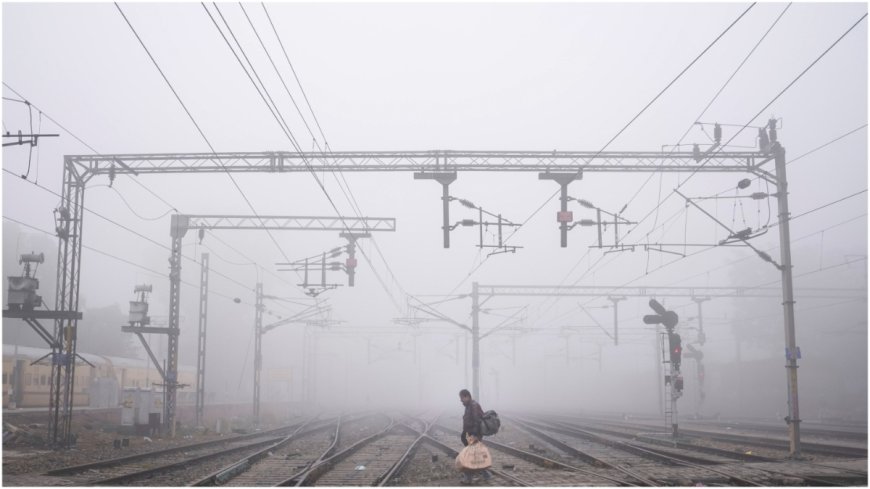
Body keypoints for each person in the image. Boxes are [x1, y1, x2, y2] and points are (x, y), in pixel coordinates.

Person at [459, 389, 493, 484]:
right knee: (475, 456)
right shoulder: (468, 406)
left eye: (461, 398)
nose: (460, 400)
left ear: (467, 396)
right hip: (470, 434)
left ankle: (469, 478)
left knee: (469, 456)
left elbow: (477, 421)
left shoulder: (473, 405)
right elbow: (469, 421)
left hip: (474, 435)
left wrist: (474, 435)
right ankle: (486, 475)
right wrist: (464, 433)